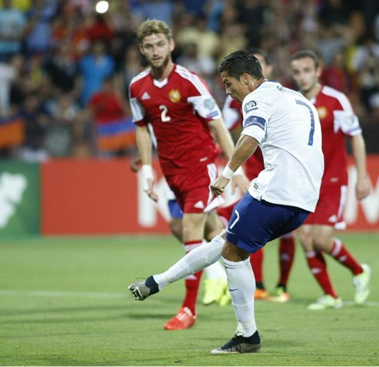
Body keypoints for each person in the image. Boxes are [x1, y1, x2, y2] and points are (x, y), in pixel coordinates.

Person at [129, 50, 325, 354]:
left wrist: (227, 173)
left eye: (230, 84)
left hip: (276, 191)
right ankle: (157, 282)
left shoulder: (256, 98)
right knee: (227, 243)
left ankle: (247, 335)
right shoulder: (297, 98)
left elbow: (251, 136)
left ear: (246, 79)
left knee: (231, 252)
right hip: (304, 199)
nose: (229, 92)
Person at [129, 20, 248, 330]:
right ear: (142, 49)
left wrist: (232, 168)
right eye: (148, 46)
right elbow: (142, 128)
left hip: (200, 166)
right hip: (171, 171)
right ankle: (226, 266)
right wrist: (145, 169)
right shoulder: (137, 87)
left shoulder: (189, 82)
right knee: (210, 230)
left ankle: (188, 309)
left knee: (188, 228)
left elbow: (217, 124)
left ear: (171, 45)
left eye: (160, 44)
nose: (155, 51)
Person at [290, 50, 371, 310]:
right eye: (297, 72)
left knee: (321, 239)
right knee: (305, 238)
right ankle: (330, 295)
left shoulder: (336, 100)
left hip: (333, 178)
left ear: (318, 70)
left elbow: (355, 137)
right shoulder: (294, 103)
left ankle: (359, 271)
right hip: (305, 182)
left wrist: (362, 176)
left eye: (306, 70)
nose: (302, 76)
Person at [220, 49, 296, 302]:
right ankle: (260, 284)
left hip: (279, 172)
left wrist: (227, 173)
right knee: (246, 227)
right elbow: (221, 128)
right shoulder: (236, 102)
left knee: (259, 229)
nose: (229, 90)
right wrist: (238, 170)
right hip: (254, 171)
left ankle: (281, 286)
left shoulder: (279, 97)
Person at [130, 156, 232, 307]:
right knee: (204, 230)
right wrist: (144, 158)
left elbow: (218, 132)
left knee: (195, 228)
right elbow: (148, 132)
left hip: (196, 166)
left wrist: (235, 171)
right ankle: (219, 276)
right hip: (174, 169)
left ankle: (199, 298)